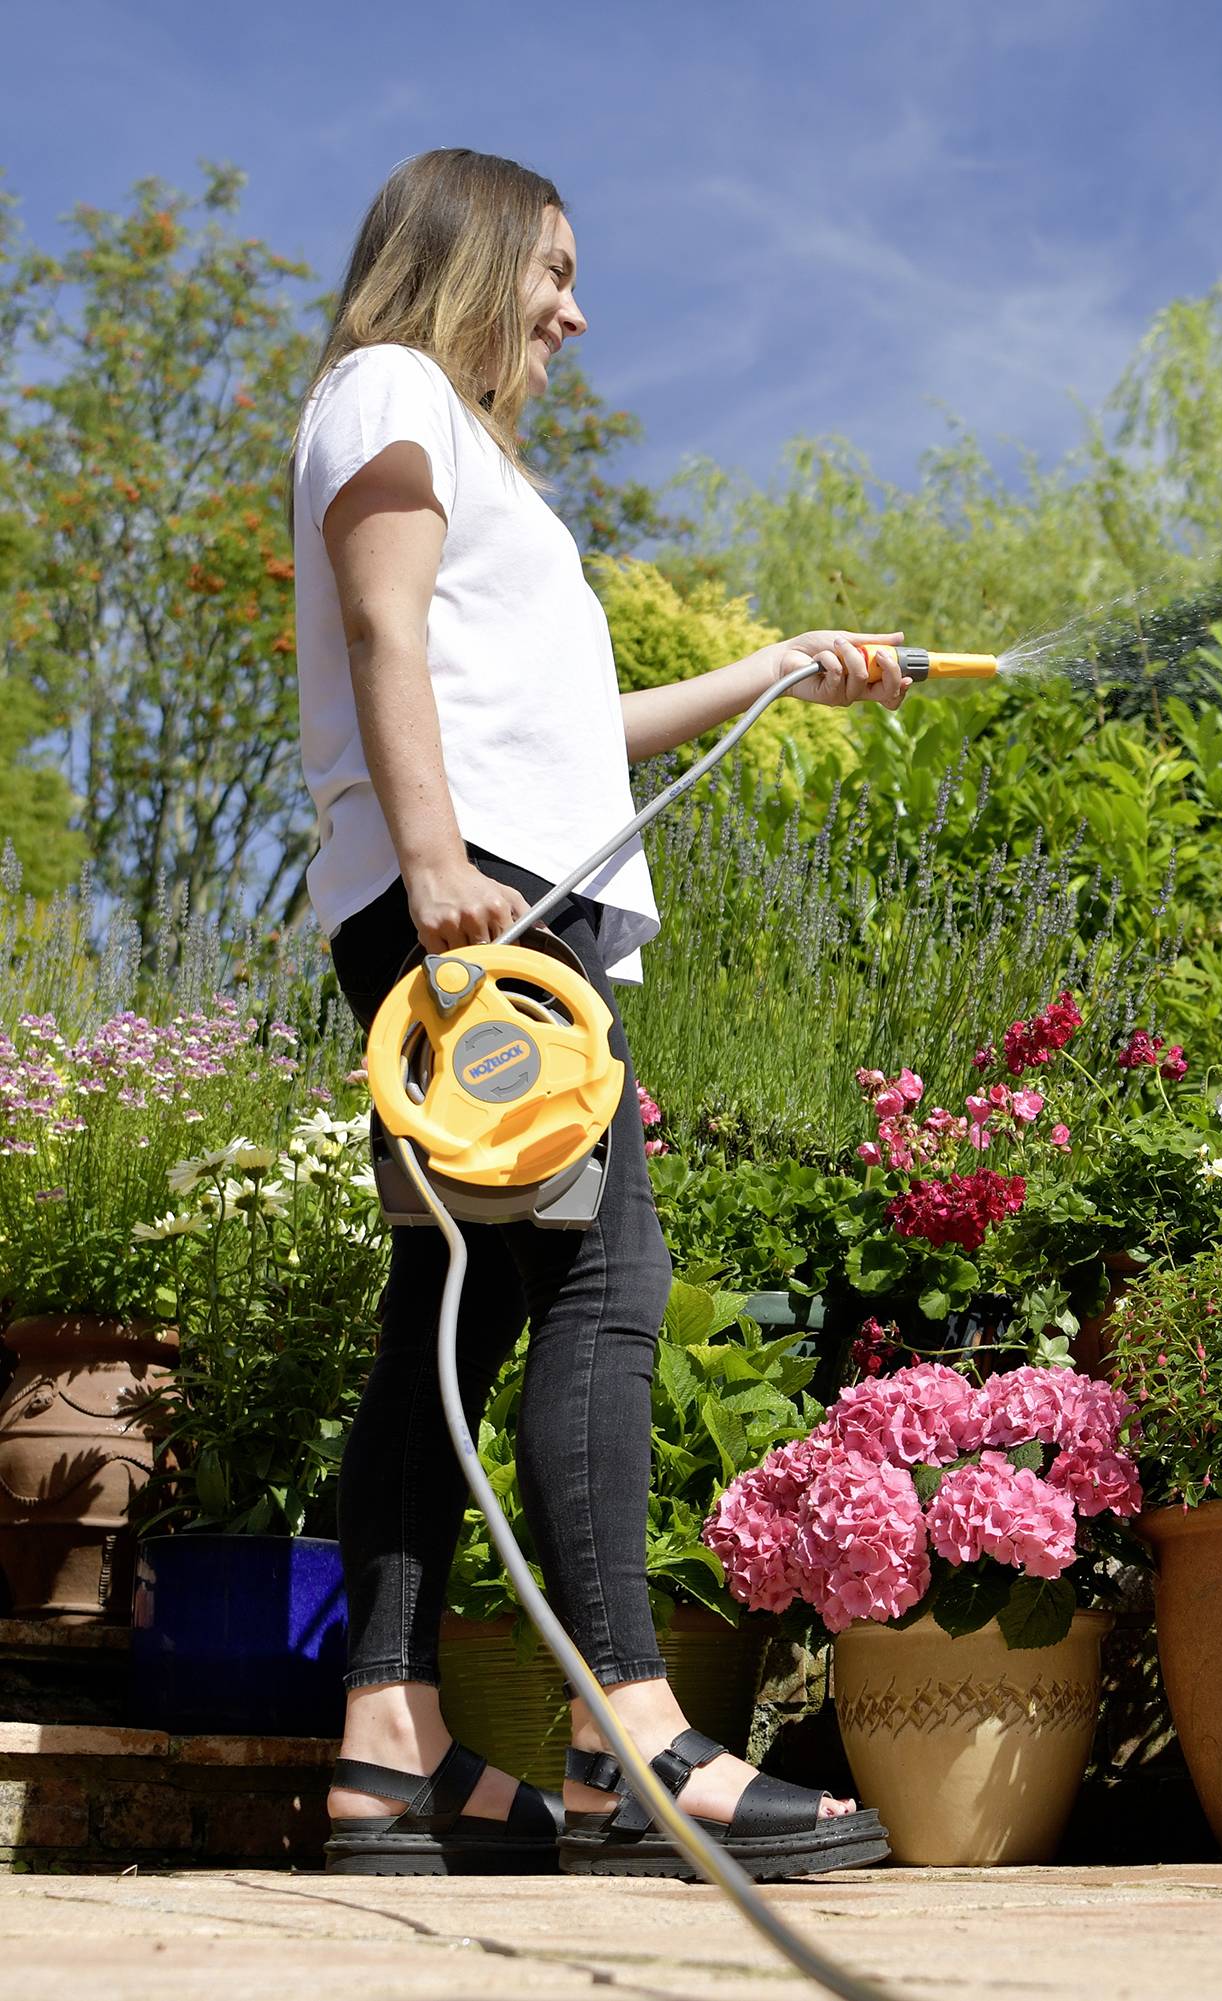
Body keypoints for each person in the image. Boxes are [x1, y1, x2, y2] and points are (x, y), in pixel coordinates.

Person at [294, 148, 897, 1879]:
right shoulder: (392, 389)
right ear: (468, 258)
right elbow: (383, 630)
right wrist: (436, 884)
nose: (573, 306)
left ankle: (389, 1747)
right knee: (605, 1288)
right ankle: (627, 1731)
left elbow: (559, 723)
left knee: (459, 1309)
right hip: (479, 904)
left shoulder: (463, 449)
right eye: (550, 268)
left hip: (494, 889)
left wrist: (773, 669)